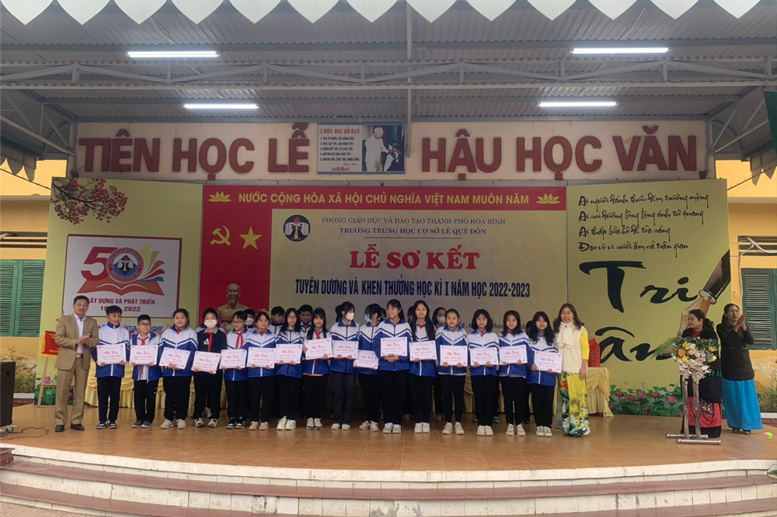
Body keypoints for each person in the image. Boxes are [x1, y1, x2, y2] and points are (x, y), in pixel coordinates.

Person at [54, 295, 99, 432]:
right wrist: (76, 341)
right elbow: (58, 339)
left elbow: (96, 340)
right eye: (79, 304)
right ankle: (60, 421)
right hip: (66, 361)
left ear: (88, 307)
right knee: (62, 392)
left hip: (83, 360)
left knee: (80, 393)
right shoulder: (64, 320)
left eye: (84, 305)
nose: (81, 307)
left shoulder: (92, 322)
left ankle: (76, 421)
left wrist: (87, 341)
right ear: (74, 306)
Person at [717, 304, 762, 435]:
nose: (735, 314)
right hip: (729, 365)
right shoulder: (721, 327)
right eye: (731, 311)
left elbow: (751, 341)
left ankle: (748, 425)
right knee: (732, 397)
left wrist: (743, 326)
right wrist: (736, 327)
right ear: (726, 314)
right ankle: (735, 424)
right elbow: (728, 341)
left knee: (747, 398)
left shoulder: (744, 327)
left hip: (744, 365)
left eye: (737, 311)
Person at [682, 309, 722, 438]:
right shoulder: (686, 333)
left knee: (707, 396)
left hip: (707, 372)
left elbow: (712, 353)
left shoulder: (710, 334)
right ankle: (690, 428)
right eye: (689, 319)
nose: (690, 321)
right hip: (690, 370)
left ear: (701, 321)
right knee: (691, 396)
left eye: (692, 319)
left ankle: (710, 430)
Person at [554, 303, 590, 438]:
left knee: (577, 399)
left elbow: (585, 349)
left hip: (576, 369)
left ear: (574, 314)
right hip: (563, 370)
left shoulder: (581, 330)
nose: (566, 316)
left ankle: (578, 428)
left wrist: (584, 367)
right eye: (563, 313)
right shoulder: (558, 330)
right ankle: (568, 427)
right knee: (566, 400)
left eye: (569, 313)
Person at [377, 299, 412, 434]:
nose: (390, 311)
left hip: (401, 367)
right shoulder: (381, 326)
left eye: (393, 308)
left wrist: (400, 357)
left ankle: (397, 422)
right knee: (386, 395)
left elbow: (410, 346)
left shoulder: (406, 326)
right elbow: (376, 345)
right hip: (386, 366)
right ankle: (388, 422)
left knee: (399, 396)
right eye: (389, 309)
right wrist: (383, 356)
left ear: (399, 310)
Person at [159, 309, 198, 429]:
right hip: (168, 371)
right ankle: (169, 418)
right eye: (177, 317)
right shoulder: (166, 333)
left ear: (187, 319)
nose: (179, 320)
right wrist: (167, 362)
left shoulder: (191, 333)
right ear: (173, 319)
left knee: (183, 395)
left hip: (184, 372)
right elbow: (161, 350)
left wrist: (182, 363)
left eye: (182, 317)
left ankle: (181, 418)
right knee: (170, 395)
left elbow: (193, 351)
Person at [92, 305, 130, 429]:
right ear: (107, 316)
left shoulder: (124, 332)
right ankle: (102, 420)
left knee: (115, 396)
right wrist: (98, 360)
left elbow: (128, 348)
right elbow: (93, 348)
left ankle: (113, 420)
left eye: (119, 316)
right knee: (102, 396)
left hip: (117, 369)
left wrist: (125, 358)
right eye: (114, 316)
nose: (117, 318)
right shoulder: (100, 331)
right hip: (103, 369)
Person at [526, 312, 558, 438]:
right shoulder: (529, 339)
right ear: (535, 323)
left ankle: (547, 425)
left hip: (548, 377)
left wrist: (554, 367)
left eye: (544, 321)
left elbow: (558, 356)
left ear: (547, 323)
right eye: (539, 320)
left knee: (548, 401)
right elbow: (526, 356)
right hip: (534, 376)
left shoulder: (553, 339)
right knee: (536, 401)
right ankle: (539, 425)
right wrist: (530, 365)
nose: (541, 323)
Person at [468, 309, 499, 436]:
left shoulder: (493, 336)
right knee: (479, 397)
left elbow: (497, 353)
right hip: (476, 372)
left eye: (484, 319)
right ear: (475, 321)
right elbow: (466, 354)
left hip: (491, 372)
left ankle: (488, 424)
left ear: (488, 321)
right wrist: (471, 362)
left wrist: (493, 362)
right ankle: (481, 423)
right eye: (479, 319)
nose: (481, 321)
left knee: (490, 398)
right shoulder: (470, 337)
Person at [436, 309, 467, 435]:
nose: (451, 320)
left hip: (459, 371)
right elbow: (436, 348)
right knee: (447, 397)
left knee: (459, 397)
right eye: (449, 318)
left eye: (454, 318)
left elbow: (466, 349)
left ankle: (458, 423)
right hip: (444, 371)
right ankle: (448, 422)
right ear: (445, 319)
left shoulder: (463, 333)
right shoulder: (440, 331)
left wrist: (463, 361)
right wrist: (441, 361)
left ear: (458, 319)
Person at [498, 310, 530, 436]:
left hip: (519, 372)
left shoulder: (523, 336)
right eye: (508, 320)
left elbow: (529, 353)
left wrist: (523, 360)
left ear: (518, 321)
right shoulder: (500, 337)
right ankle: (510, 424)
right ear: (505, 322)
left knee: (519, 399)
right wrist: (501, 361)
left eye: (514, 320)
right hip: (505, 373)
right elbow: (495, 353)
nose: (511, 323)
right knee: (507, 399)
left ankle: (519, 424)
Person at [193, 308, 226, 428]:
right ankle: (197, 416)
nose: (210, 320)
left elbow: (222, 351)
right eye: (207, 318)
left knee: (215, 393)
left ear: (217, 320)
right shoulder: (199, 335)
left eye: (212, 318)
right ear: (203, 320)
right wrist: (196, 364)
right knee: (200, 393)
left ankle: (215, 417)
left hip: (215, 370)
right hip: (200, 370)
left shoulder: (221, 335)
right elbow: (195, 351)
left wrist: (215, 365)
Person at [408, 300, 437, 434]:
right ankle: (418, 421)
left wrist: (430, 355)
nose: (420, 312)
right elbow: (404, 346)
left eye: (423, 309)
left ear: (427, 311)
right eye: (418, 309)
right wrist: (412, 355)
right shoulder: (409, 328)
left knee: (426, 397)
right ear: (414, 311)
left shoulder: (432, 328)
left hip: (428, 368)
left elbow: (436, 347)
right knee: (415, 396)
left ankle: (426, 421)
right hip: (413, 368)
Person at [330, 302, 359, 430]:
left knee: (350, 393)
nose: (351, 314)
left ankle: (347, 420)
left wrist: (355, 355)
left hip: (351, 367)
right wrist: (334, 354)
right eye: (349, 311)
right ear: (343, 313)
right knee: (337, 393)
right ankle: (337, 419)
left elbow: (360, 346)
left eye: (353, 311)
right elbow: (329, 346)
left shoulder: (357, 327)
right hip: (337, 366)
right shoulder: (335, 327)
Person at [130, 314, 162, 428]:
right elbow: (129, 353)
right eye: (143, 324)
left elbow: (160, 353)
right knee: (138, 397)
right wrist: (132, 359)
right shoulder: (133, 338)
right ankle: (139, 418)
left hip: (152, 374)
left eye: (148, 324)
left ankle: (149, 419)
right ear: (138, 326)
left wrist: (155, 360)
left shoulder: (156, 338)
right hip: (138, 374)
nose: (145, 326)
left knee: (150, 397)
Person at [246, 311, 277, 430]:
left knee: (267, 398)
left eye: (265, 320)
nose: (263, 323)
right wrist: (250, 362)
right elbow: (244, 353)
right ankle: (254, 420)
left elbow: (277, 353)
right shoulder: (250, 337)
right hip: (253, 373)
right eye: (260, 320)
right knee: (254, 397)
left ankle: (265, 420)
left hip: (269, 373)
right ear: (256, 323)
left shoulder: (273, 337)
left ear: (269, 323)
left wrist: (272, 362)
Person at [276, 308, 304, 430]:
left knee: (293, 394)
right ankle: (282, 417)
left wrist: (301, 354)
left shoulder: (302, 332)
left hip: (296, 369)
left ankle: (291, 418)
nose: (292, 319)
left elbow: (305, 350)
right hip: (282, 368)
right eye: (290, 317)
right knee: (282, 394)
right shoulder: (280, 332)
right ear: (286, 318)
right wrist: (278, 359)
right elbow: (275, 348)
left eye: (294, 317)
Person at [303, 308, 330, 431]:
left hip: (321, 369)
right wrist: (303, 350)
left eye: (321, 318)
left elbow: (330, 351)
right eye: (316, 318)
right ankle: (309, 417)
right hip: (308, 369)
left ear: (324, 319)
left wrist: (327, 355)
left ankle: (318, 418)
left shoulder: (327, 335)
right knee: (308, 394)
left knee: (319, 394)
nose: (318, 321)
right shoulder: (307, 333)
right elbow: (301, 349)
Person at [357, 303, 382, 432]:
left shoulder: (383, 328)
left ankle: (375, 420)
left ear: (375, 314)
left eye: (368, 313)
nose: (366, 315)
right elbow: (358, 347)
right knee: (366, 394)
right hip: (363, 369)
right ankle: (368, 418)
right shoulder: (362, 329)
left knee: (376, 395)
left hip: (377, 369)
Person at [223, 311, 250, 429]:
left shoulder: (250, 336)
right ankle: (232, 417)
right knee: (231, 395)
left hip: (244, 373)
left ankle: (241, 418)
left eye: (239, 321)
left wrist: (244, 363)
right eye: (234, 321)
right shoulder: (228, 336)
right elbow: (223, 352)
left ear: (245, 322)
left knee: (243, 396)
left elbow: (251, 353)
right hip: (230, 373)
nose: (236, 324)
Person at [432, 306, 447, 422]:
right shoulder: (432, 328)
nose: (442, 317)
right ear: (436, 316)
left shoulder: (450, 329)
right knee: (437, 389)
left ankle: (447, 412)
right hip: (435, 364)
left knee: (446, 390)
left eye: (444, 315)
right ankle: (439, 411)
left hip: (448, 364)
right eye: (439, 315)